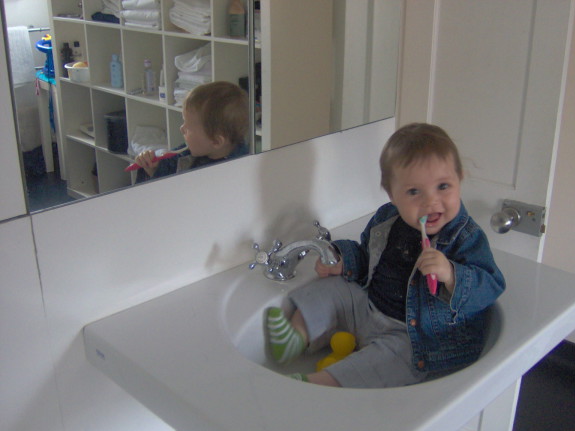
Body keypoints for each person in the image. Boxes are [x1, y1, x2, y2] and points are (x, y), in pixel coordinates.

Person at [265, 123, 506, 388]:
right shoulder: (387, 219)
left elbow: (491, 286)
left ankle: (320, 383)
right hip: (369, 309)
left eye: (443, 186)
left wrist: (451, 275)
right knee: (332, 287)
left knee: (392, 359)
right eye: (413, 192)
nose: (430, 202)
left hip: (415, 338)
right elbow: (367, 258)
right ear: (392, 194)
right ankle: (296, 336)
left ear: (460, 179)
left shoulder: (466, 237)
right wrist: (344, 262)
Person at [135, 81, 249, 183]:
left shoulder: (235, 175)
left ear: (216, 141)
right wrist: (153, 169)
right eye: (184, 121)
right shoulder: (187, 153)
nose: (182, 129)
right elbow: (166, 181)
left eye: (188, 127)